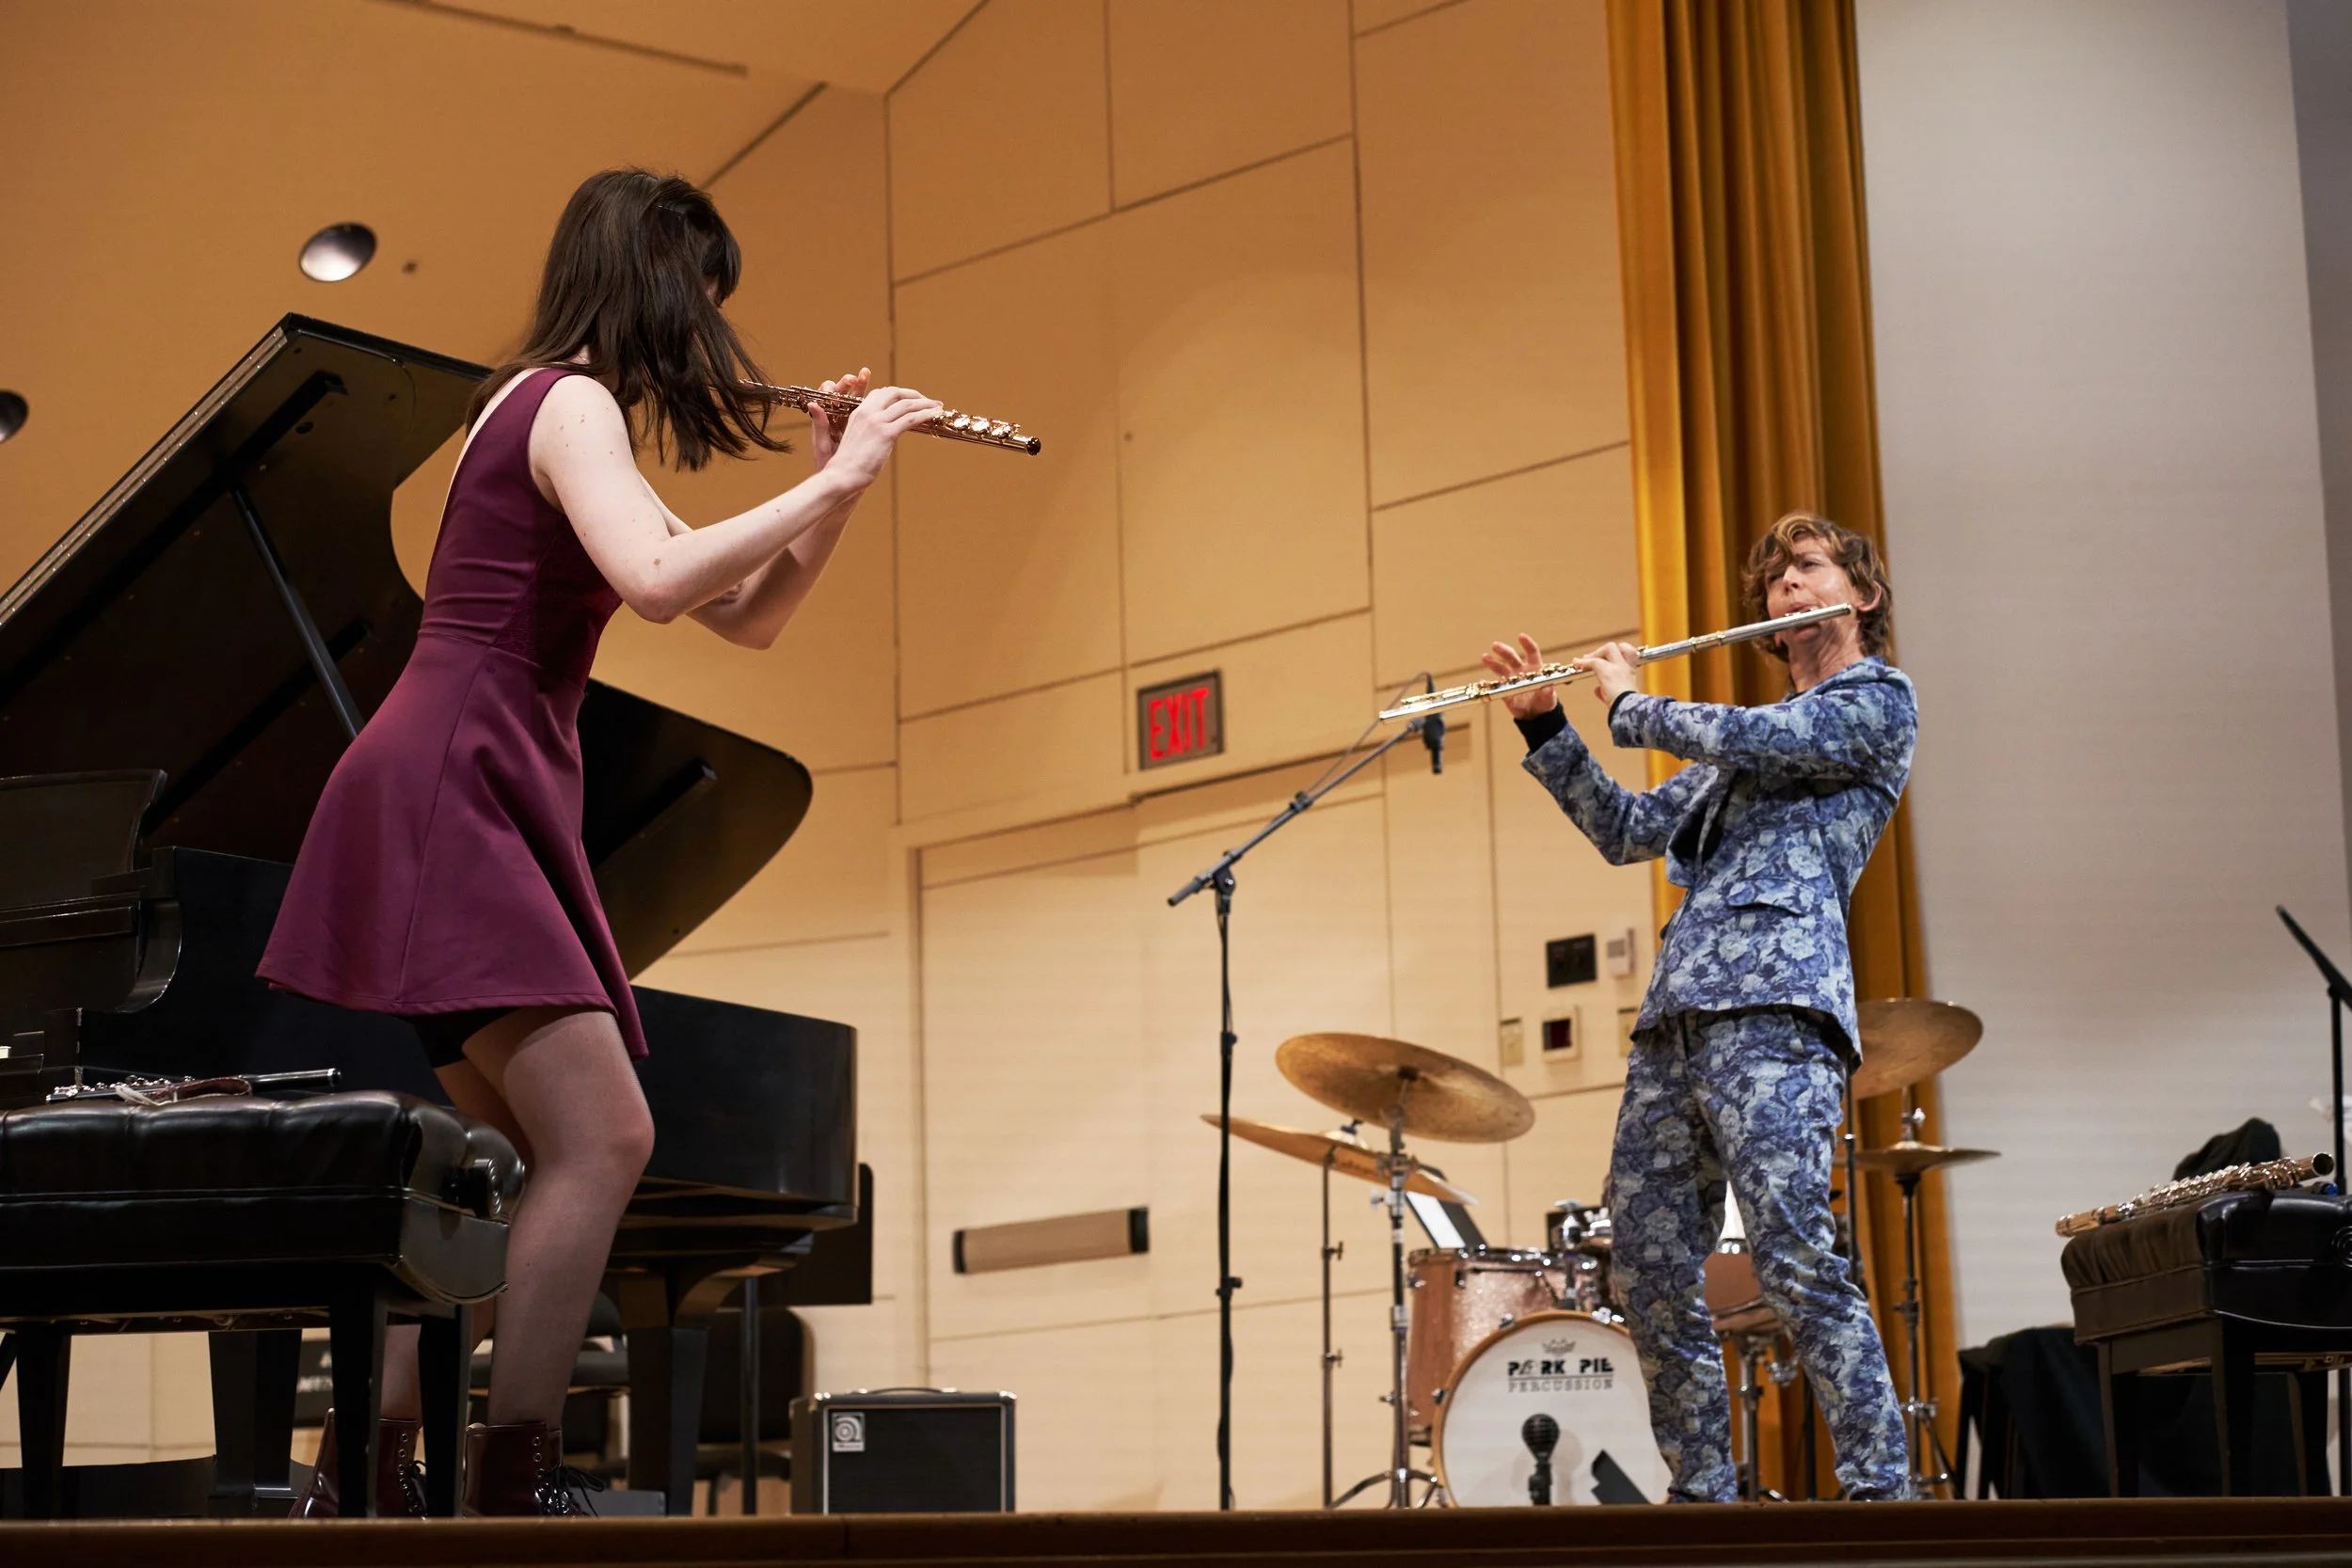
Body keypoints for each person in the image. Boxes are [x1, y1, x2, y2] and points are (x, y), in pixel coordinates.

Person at [257, 167, 941, 1516]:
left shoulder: (563, 414)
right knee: (606, 1135)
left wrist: (836, 491)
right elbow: (658, 579)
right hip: (457, 777)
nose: (707, 335)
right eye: (701, 299)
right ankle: (513, 1473)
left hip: (474, 773)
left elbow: (740, 612)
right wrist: (845, 469)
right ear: (650, 278)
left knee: (500, 1179)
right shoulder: (562, 402)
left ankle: (369, 1469)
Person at [1481, 511, 1915, 1503]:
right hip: (1676, 1018)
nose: (1789, 587)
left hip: (1776, 1009)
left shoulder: (1874, 701)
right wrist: (1547, 720)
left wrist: (1634, 703)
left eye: (1809, 568)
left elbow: (1765, 734)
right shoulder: (1737, 760)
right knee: (1642, 1265)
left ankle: (1881, 1491)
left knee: (1795, 1251)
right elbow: (1626, 829)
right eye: (1775, 580)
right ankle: (1702, 1486)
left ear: (1862, 594)